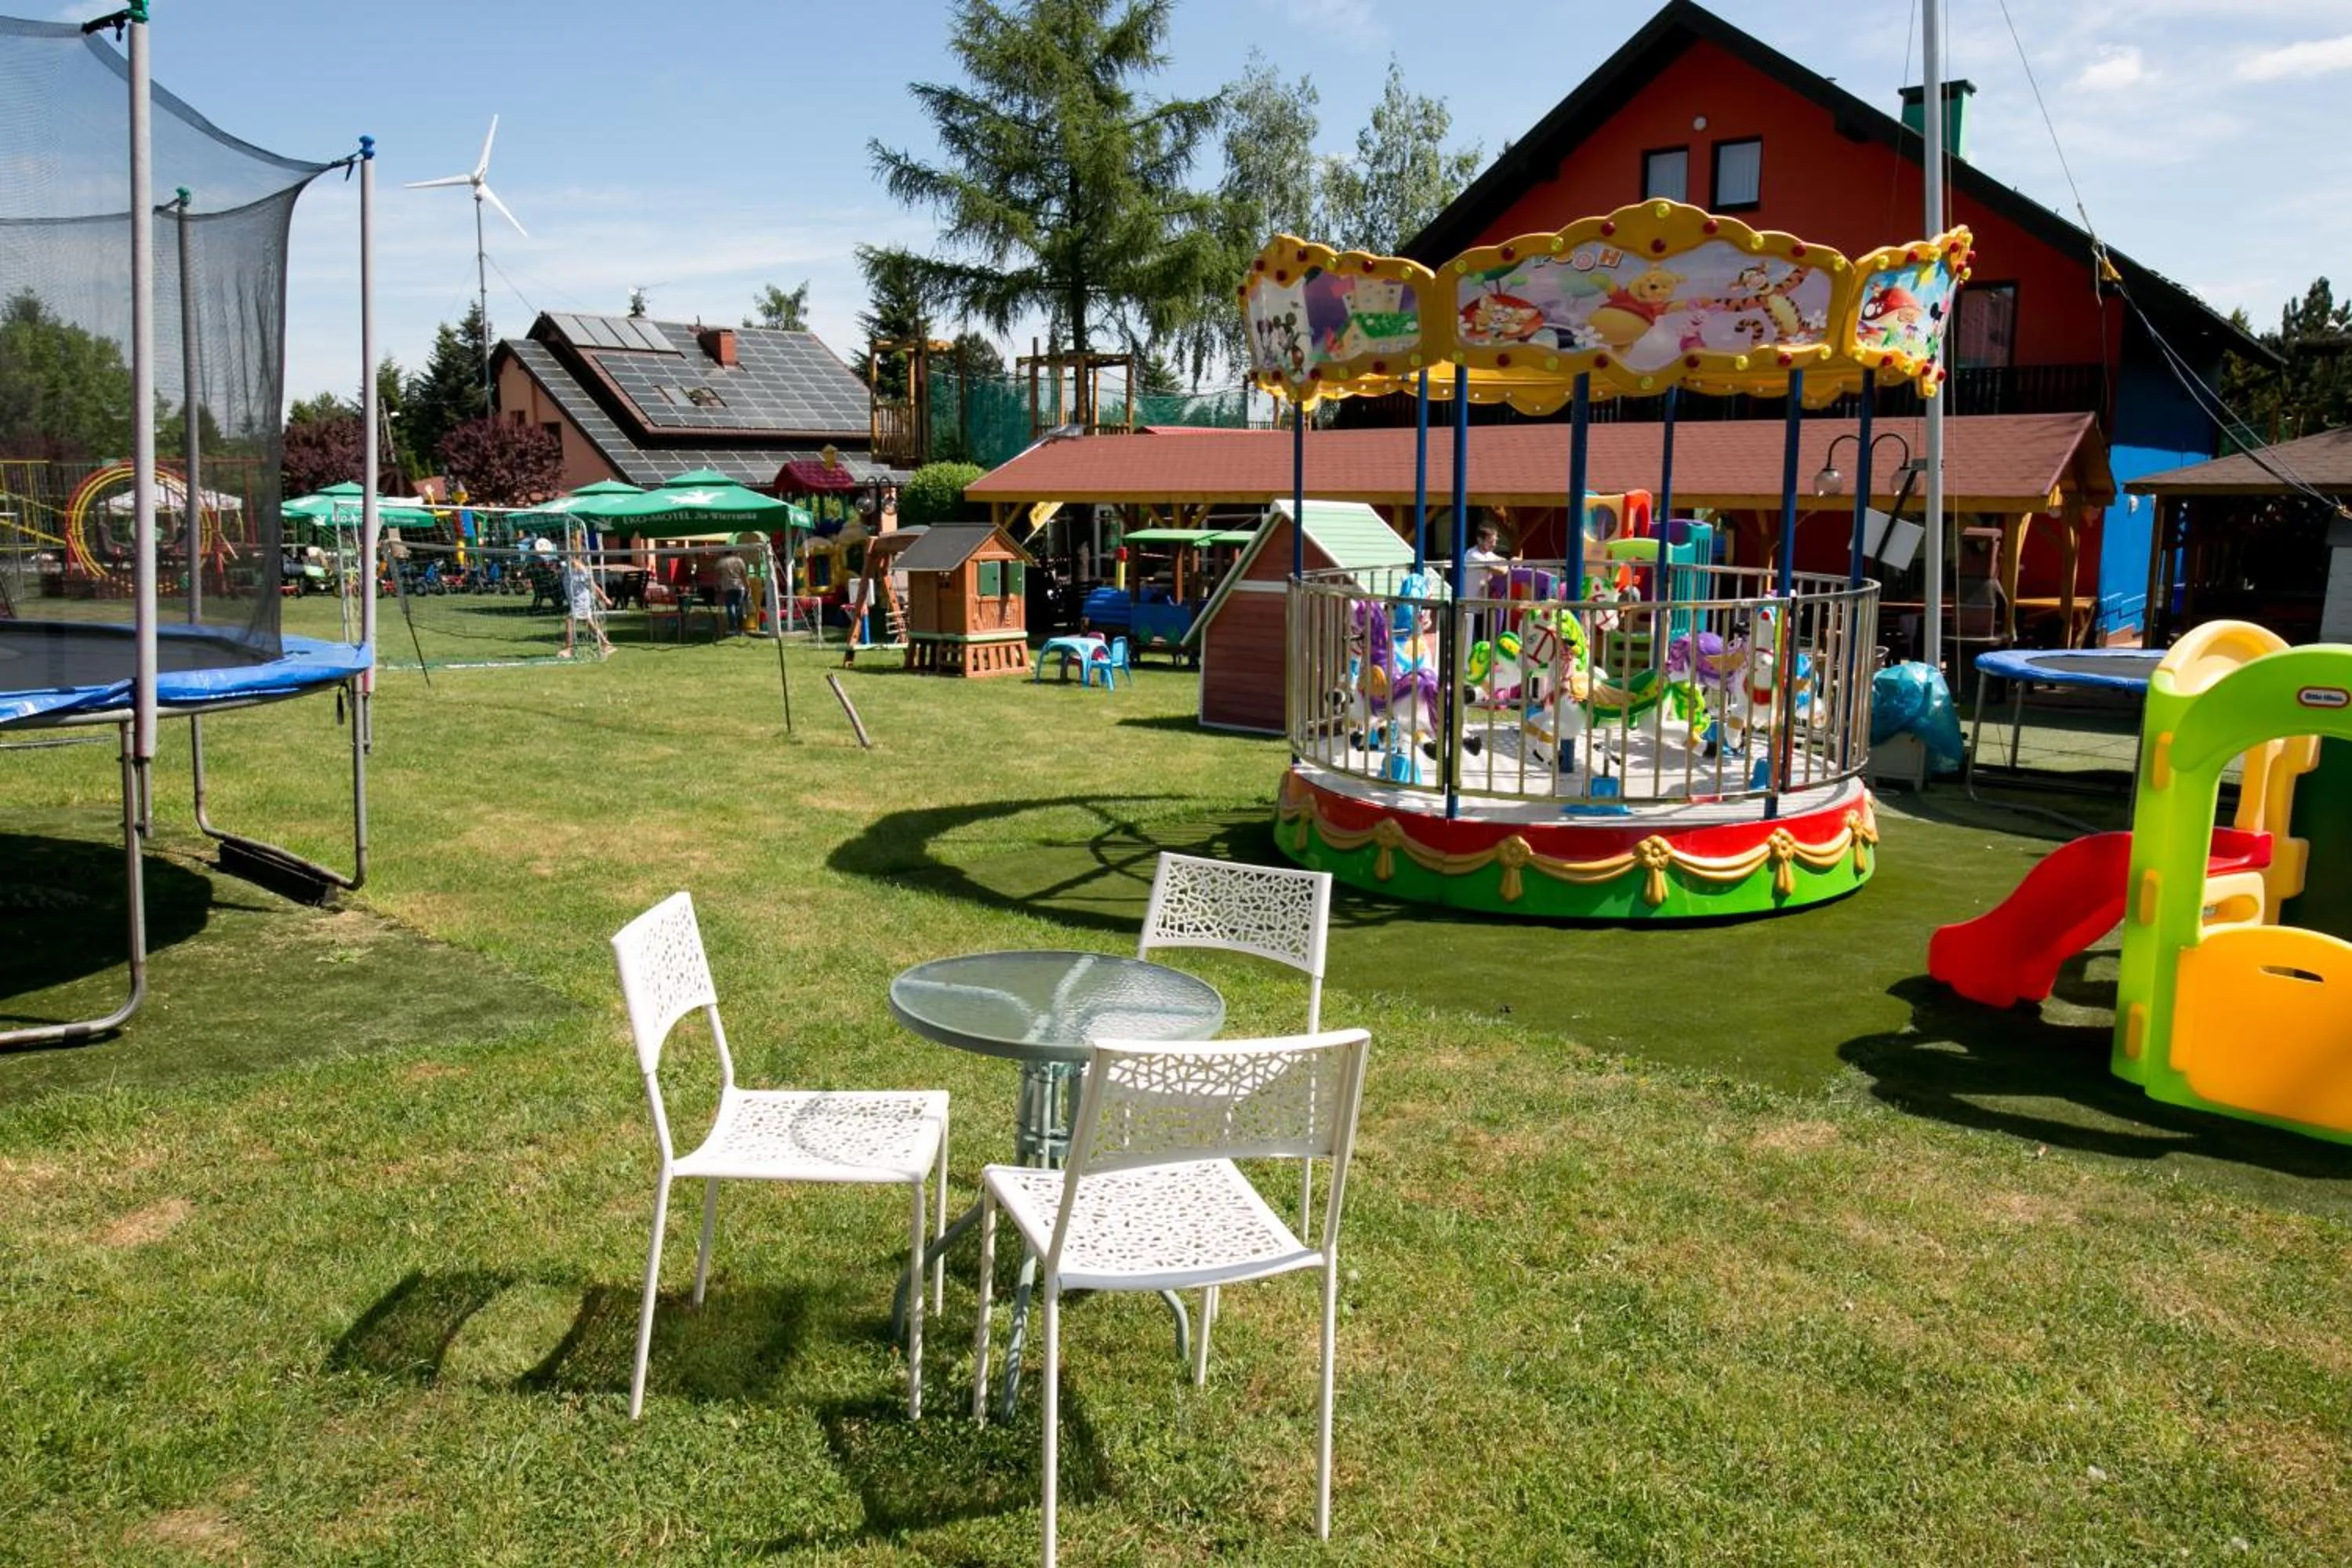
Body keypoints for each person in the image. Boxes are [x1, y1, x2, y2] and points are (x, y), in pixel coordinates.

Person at [562, 551, 612, 659]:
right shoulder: (567, 567)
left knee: (569, 621)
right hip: (576, 601)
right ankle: (606, 643)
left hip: (581, 601)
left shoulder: (582, 571)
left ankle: (569, 649)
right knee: (588, 623)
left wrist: (604, 598)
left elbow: (593, 586)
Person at [716, 548, 750, 635]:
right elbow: (744, 575)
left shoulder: (721, 562)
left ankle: (733, 628)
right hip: (739, 586)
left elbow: (717, 575)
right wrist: (747, 586)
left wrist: (718, 586)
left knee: (731, 607)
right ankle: (740, 629)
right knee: (740, 608)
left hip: (727, 587)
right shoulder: (740, 560)